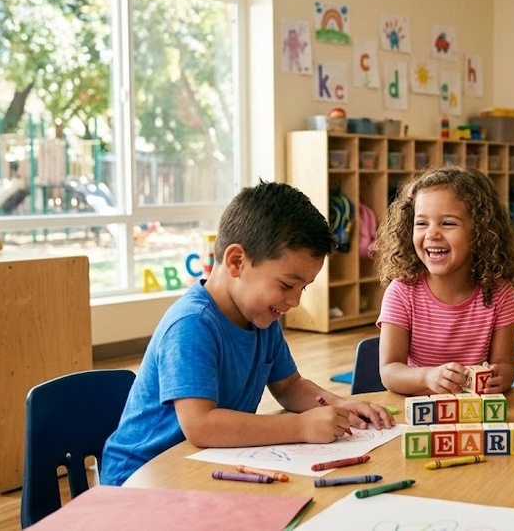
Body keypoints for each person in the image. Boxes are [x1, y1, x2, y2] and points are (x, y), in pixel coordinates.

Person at [100, 182, 395, 486]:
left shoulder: (261, 318)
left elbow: (290, 386)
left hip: (204, 466)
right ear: (236, 261)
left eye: (303, 288)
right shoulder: (192, 324)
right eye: (286, 285)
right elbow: (201, 425)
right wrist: (300, 427)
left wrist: (338, 405)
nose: (295, 301)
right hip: (140, 478)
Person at [375, 165, 514, 396]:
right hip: (420, 407)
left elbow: (505, 366)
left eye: (448, 223)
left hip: (474, 410)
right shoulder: (401, 292)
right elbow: (389, 372)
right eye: (421, 223)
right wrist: (427, 377)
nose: (432, 234)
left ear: (480, 232)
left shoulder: (500, 293)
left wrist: (499, 378)